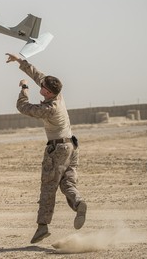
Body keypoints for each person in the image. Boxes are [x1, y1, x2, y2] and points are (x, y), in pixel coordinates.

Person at [5, 53, 87, 244]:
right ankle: (78, 202)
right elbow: (38, 75)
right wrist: (20, 61)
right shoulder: (57, 95)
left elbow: (23, 107)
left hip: (57, 149)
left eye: (42, 88)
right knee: (67, 183)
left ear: (49, 93)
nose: (40, 87)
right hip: (71, 146)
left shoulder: (48, 108)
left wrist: (24, 88)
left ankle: (42, 227)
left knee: (48, 187)